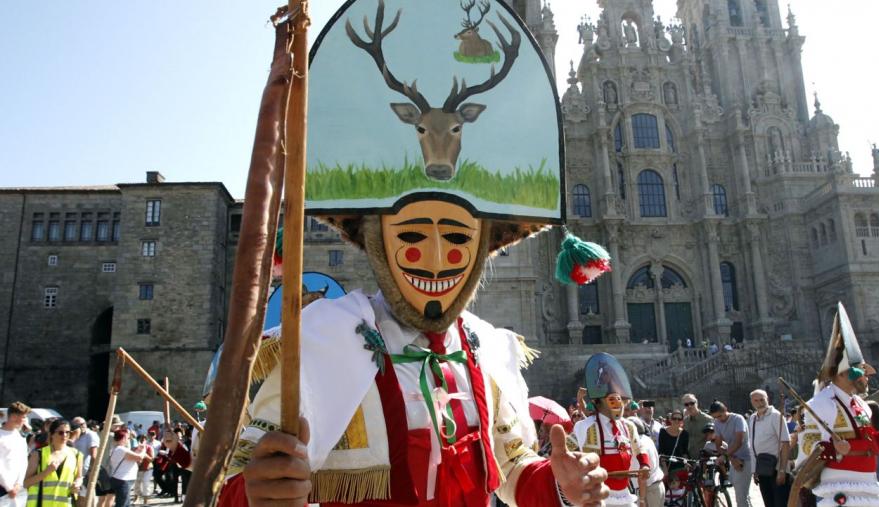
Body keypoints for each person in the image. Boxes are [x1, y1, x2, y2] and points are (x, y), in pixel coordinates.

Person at [212, 2, 613, 505]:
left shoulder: (487, 353)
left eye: (459, 239)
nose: (436, 258)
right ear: (379, 244)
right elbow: (239, 481)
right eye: (413, 237)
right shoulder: (321, 343)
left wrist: (560, 483)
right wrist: (256, 493)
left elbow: (512, 473)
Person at [795, 303, 879, 505]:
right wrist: (832, 449)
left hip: (868, 484)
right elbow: (807, 445)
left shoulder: (861, 403)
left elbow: (868, 442)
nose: (867, 376)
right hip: (840, 485)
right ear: (843, 373)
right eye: (861, 371)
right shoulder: (821, 404)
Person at [568, 353, 650, 506]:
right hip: (598, 496)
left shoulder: (629, 426)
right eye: (612, 400)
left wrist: (644, 465)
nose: (618, 405)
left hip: (625, 495)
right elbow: (567, 453)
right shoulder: (584, 427)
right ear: (600, 402)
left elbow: (639, 450)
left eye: (619, 400)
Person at [24, 419, 82, 507]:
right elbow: (26, 483)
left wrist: (77, 484)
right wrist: (46, 472)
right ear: (51, 434)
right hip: (40, 504)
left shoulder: (77, 454)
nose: (65, 435)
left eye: (68, 432)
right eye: (60, 432)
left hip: (64, 504)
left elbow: (79, 477)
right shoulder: (38, 454)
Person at [747, 389, 790, 507]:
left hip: (777, 468)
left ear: (767, 399)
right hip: (762, 468)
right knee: (768, 503)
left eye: (762, 399)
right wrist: (754, 469)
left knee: (780, 503)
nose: (760, 402)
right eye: (756, 400)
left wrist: (782, 470)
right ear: (752, 402)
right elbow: (752, 445)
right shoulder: (752, 418)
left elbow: (785, 443)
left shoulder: (776, 416)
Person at [709, 401, 751, 507]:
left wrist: (726, 456)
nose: (719, 419)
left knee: (741, 496)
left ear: (726, 410)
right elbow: (718, 445)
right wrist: (731, 458)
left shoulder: (738, 419)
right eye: (716, 417)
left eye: (720, 415)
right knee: (741, 494)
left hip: (746, 458)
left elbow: (739, 442)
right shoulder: (717, 423)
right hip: (734, 458)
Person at [627, 418, 664, 507]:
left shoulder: (637, 447)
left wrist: (642, 500)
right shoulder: (647, 439)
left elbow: (642, 477)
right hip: (656, 487)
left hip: (648, 491)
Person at [0, 402, 31, 507]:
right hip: (3, 488)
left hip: (18, 489)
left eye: (25, 417)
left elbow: (23, 462)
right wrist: (9, 488)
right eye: (23, 417)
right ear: (13, 416)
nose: (24, 421)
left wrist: (19, 484)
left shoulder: (20, 437)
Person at [108, 429, 145, 507]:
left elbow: (131, 457)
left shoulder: (117, 449)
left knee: (124, 503)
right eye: (128, 438)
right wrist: (144, 449)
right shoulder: (121, 449)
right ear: (123, 438)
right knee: (123, 504)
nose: (128, 440)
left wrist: (139, 449)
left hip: (121, 479)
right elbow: (139, 457)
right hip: (123, 480)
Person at [71, 416, 99, 506]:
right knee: (76, 500)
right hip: (73, 473)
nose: (81, 426)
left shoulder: (90, 435)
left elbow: (94, 456)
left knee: (84, 500)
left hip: (85, 474)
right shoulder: (73, 435)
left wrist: (91, 473)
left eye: (83, 424)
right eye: (78, 425)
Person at [681, 393, 714, 459]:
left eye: (692, 403)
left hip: (705, 460)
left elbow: (714, 440)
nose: (689, 406)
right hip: (689, 460)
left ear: (697, 403)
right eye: (686, 404)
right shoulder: (685, 421)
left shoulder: (708, 419)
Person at [657, 409, 688, 477]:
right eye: (674, 418)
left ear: (682, 421)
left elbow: (684, 452)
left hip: (680, 467)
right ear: (671, 420)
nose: (677, 421)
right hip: (667, 466)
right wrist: (665, 468)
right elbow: (661, 451)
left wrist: (686, 464)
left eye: (679, 419)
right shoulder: (663, 432)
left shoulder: (685, 434)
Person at [132, 435, 154, 505]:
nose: (142, 441)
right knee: (136, 484)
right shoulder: (134, 448)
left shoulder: (149, 448)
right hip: (138, 469)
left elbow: (152, 459)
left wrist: (145, 455)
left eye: (144, 440)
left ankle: (145, 500)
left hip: (147, 468)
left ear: (146, 441)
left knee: (145, 483)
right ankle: (136, 498)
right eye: (141, 440)